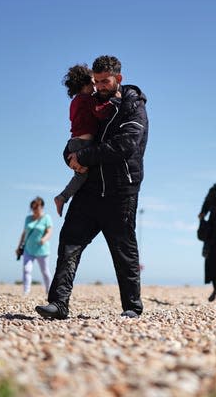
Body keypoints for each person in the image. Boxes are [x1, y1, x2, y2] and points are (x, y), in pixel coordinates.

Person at [36, 55, 149, 319]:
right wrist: (70, 157)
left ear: (118, 79)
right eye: (96, 81)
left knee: (123, 250)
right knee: (69, 244)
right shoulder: (91, 101)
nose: (99, 86)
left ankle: (132, 307)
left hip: (121, 190)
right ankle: (58, 303)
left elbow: (126, 145)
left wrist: (84, 158)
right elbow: (77, 137)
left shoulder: (134, 107)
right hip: (90, 189)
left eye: (104, 81)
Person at [53, 64, 99, 217]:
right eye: (93, 83)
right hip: (83, 144)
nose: (95, 87)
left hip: (74, 142)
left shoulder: (75, 101)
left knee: (81, 176)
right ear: (84, 84)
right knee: (84, 175)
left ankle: (62, 197)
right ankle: (63, 197)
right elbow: (101, 113)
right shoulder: (87, 100)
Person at [15, 197, 53, 295]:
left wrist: (44, 239)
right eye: (33, 208)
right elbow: (24, 233)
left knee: (45, 272)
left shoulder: (46, 218)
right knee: (27, 269)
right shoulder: (28, 219)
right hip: (28, 249)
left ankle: (49, 291)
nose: (34, 210)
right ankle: (26, 291)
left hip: (42, 250)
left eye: (36, 207)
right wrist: (18, 247)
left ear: (42, 207)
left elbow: (49, 232)